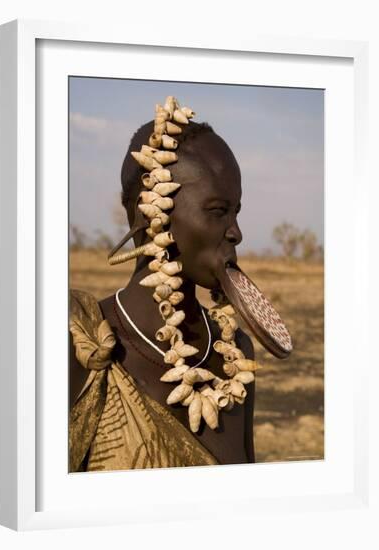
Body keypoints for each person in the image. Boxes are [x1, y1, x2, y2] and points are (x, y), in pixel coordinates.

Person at [69, 97, 256, 472]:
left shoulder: (235, 352)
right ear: (148, 213)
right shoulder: (82, 344)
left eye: (236, 212)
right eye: (218, 211)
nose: (235, 232)